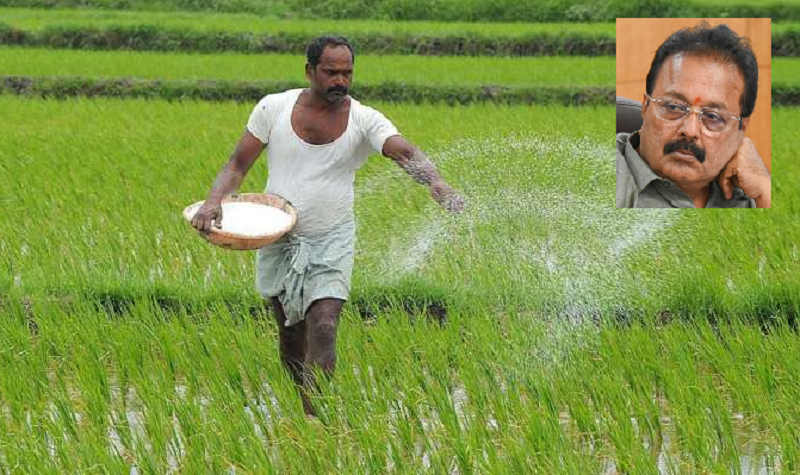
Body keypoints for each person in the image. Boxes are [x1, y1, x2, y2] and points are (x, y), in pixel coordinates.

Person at [191, 36, 464, 416]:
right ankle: (302, 404)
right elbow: (237, 164)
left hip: (331, 236)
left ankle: (315, 415)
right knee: (291, 334)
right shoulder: (273, 108)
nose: (340, 81)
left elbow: (404, 151)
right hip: (278, 236)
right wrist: (213, 201)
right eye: (331, 72)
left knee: (324, 324)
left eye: (347, 73)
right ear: (310, 71)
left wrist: (435, 181)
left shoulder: (364, 119)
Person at [616, 22, 771, 208]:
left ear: (741, 127)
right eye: (674, 107)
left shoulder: (752, 193)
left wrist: (766, 193)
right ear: (646, 106)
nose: (690, 131)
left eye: (712, 117)